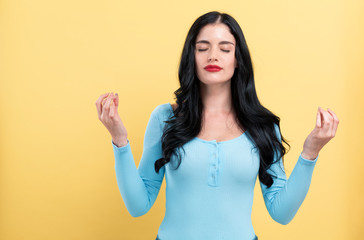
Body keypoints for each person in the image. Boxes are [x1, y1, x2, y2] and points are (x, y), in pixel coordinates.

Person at [95, 11, 339, 240]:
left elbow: (281, 212)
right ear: (192, 57)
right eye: (203, 48)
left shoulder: (262, 126)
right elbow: (138, 206)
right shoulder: (165, 118)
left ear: (237, 60)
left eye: (225, 49)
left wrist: (310, 152)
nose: (213, 56)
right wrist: (119, 139)